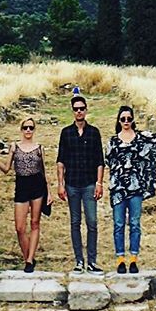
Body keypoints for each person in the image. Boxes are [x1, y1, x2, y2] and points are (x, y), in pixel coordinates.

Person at [105, 101, 156, 273]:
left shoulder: (141, 138)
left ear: (133, 120)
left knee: (135, 224)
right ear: (119, 121)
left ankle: (133, 259)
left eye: (129, 118)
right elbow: (107, 163)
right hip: (118, 190)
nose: (126, 121)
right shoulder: (113, 142)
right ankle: (120, 259)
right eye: (123, 119)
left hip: (136, 189)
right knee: (119, 224)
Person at [0, 116, 53, 273]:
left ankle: (28, 260)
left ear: (34, 130)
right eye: (25, 127)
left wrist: (49, 192)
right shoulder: (14, 146)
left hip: (37, 185)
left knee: (35, 223)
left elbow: (44, 171)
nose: (28, 130)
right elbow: (6, 169)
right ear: (21, 129)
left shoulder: (39, 148)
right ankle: (29, 257)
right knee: (20, 227)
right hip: (21, 185)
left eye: (31, 128)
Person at [56, 91, 105, 273]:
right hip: (72, 183)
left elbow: (100, 160)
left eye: (82, 109)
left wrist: (99, 183)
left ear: (86, 110)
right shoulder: (66, 133)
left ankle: (91, 261)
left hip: (89, 183)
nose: (79, 112)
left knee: (92, 222)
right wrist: (60, 184)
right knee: (75, 222)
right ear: (72, 111)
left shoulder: (94, 132)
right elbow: (61, 160)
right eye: (76, 109)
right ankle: (79, 261)